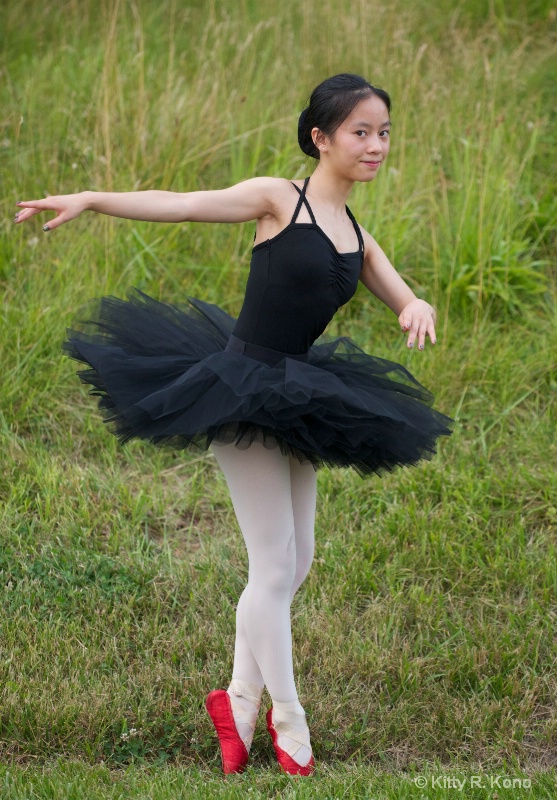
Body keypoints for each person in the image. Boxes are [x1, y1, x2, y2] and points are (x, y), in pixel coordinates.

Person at [14, 73, 452, 776]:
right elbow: (185, 205)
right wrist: (94, 198)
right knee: (274, 565)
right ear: (322, 138)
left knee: (295, 562)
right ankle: (289, 717)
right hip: (241, 388)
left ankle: (238, 700)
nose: (376, 146)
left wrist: (415, 306)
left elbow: (401, 292)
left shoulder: (360, 237)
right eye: (361, 132)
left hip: (302, 395)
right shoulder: (281, 198)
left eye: (385, 133)